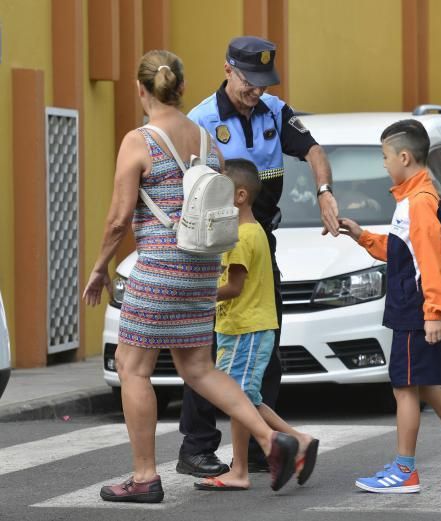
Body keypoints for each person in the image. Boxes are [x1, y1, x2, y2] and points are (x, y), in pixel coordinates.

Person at [82, 50, 299, 503]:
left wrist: (100, 267)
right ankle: (267, 436)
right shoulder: (207, 139)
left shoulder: (139, 140)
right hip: (201, 269)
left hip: (159, 270)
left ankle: (144, 477)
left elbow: (119, 219)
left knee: (132, 367)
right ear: (181, 90)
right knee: (198, 367)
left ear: (141, 90)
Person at [176, 36, 340, 477]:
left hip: (260, 239)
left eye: (264, 83)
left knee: (264, 341)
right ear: (229, 69)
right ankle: (197, 446)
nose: (258, 92)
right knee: (208, 351)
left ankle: (249, 449)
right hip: (214, 245)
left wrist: (324, 192)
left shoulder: (275, 111)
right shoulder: (202, 121)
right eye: (251, 82)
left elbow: (313, 150)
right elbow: (185, 189)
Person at [338, 120, 441, 494]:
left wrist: (433, 314)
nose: (383, 164)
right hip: (414, 309)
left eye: (384, 157)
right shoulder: (412, 200)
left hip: (415, 312)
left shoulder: (419, 204)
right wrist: (362, 235)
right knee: (426, 386)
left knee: (405, 388)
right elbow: (404, 252)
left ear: (404, 157)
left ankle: (405, 470)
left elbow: (432, 263)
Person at [194, 159, 319, 491]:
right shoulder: (251, 232)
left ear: (239, 196)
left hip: (245, 328)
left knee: (238, 398)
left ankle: (242, 469)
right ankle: (296, 440)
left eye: (218, 192)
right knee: (243, 397)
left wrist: (200, 297)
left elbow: (234, 287)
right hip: (239, 327)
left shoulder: (241, 237)